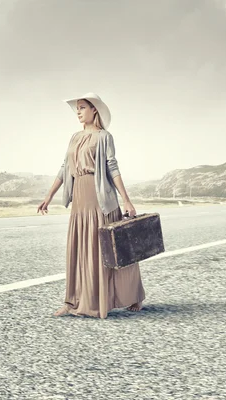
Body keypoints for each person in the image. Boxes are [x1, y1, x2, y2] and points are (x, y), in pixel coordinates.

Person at [37, 92, 145, 319]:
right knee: (79, 250)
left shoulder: (105, 136)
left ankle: (134, 295)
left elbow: (112, 168)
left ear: (94, 109)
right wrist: (49, 196)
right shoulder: (74, 137)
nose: (78, 111)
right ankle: (73, 300)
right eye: (77, 108)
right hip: (79, 198)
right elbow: (64, 168)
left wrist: (126, 199)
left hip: (101, 199)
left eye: (82, 107)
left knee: (110, 249)